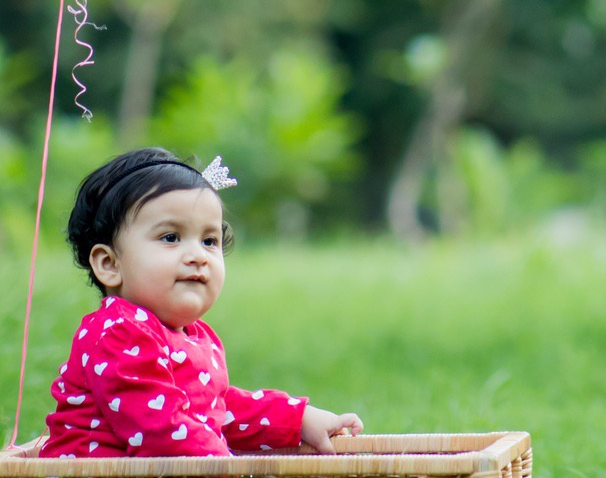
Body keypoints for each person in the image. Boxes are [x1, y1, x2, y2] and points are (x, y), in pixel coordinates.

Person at [40, 147, 363, 458]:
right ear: (110, 265)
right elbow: (163, 432)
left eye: (209, 241)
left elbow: (217, 411)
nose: (197, 256)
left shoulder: (195, 336)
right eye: (171, 237)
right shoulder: (118, 331)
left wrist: (297, 420)